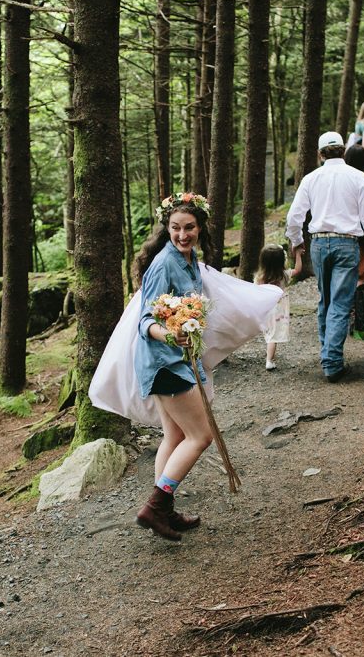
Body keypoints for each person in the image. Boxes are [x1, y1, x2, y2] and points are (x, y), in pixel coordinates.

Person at [132, 192, 216, 541]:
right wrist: (168, 336)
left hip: (179, 359)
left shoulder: (191, 258)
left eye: (189, 228)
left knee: (175, 436)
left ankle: (162, 513)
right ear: (166, 228)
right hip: (164, 361)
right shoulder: (164, 263)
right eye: (175, 228)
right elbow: (144, 319)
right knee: (201, 436)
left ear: (200, 228)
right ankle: (156, 505)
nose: (182, 235)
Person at [286, 132, 364, 382]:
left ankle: (327, 354)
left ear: (320, 154)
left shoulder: (311, 179)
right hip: (346, 244)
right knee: (341, 304)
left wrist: (297, 242)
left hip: (319, 244)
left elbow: (294, 217)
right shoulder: (357, 178)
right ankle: (332, 363)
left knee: (326, 300)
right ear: (343, 151)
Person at [256, 244, 299, 371]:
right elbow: (298, 269)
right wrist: (297, 255)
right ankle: (269, 360)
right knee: (273, 337)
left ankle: (270, 357)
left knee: (270, 334)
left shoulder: (259, 278)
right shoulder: (284, 275)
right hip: (278, 312)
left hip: (265, 310)